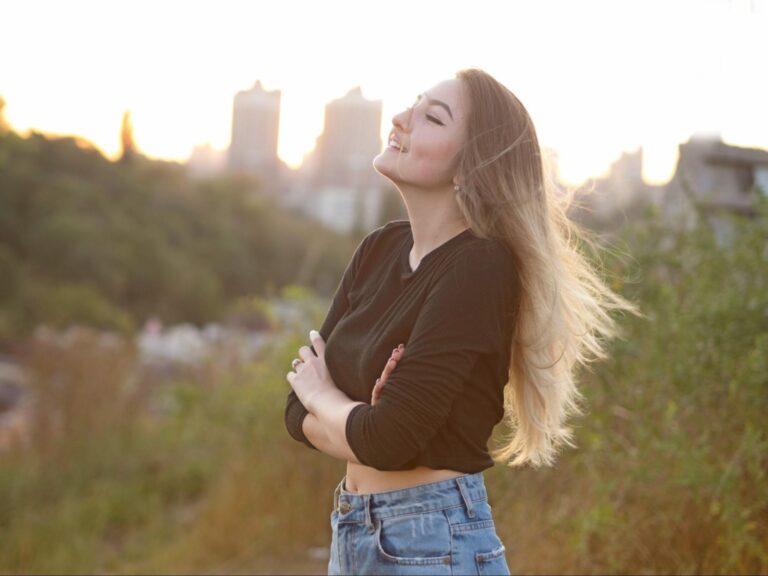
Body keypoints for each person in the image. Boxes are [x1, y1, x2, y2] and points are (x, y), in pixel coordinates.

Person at [285, 67, 641, 575]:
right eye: (414, 104)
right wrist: (357, 418)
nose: (401, 118)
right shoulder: (379, 248)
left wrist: (326, 397)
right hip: (352, 530)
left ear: (470, 167)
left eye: (432, 117)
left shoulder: (480, 266)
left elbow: (383, 437)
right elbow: (294, 415)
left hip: (431, 539)